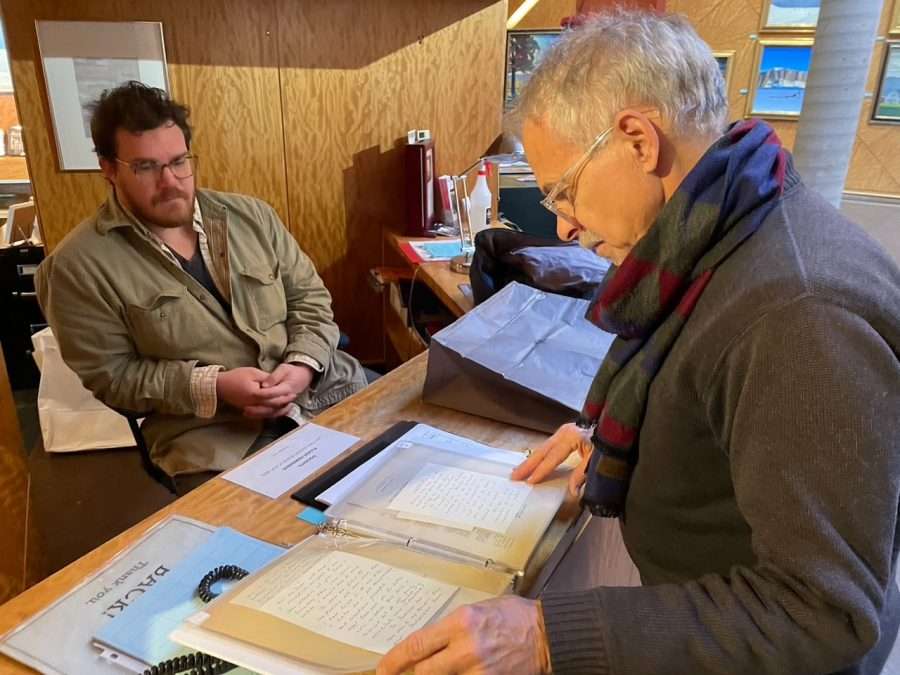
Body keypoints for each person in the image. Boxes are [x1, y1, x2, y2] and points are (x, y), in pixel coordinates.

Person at [378, 10, 900, 675]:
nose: (563, 227)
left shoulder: (799, 312)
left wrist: (545, 634)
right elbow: (726, 414)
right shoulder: (724, 239)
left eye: (562, 192)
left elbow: (820, 610)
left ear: (636, 140)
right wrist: (632, 443)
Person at [36, 81, 367, 492]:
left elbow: (310, 301)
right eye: (145, 167)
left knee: (417, 479)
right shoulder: (75, 268)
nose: (170, 181)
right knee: (276, 545)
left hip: (324, 392)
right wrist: (215, 387)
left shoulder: (252, 217)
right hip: (211, 438)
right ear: (108, 168)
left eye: (179, 161)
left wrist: (301, 366)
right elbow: (114, 379)